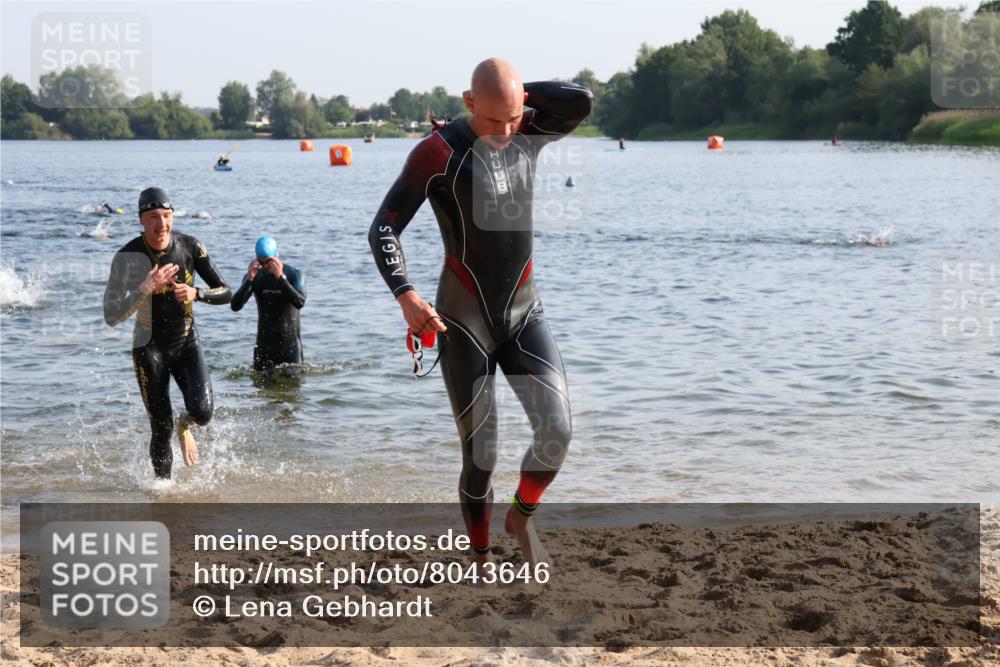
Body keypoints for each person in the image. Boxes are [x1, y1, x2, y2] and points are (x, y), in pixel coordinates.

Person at [369, 58, 592, 568]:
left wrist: (512, 97)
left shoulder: (528, 129)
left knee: (557, 433)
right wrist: (406, 296)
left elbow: (580, 100)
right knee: (482, 455)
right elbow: (383, 228)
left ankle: (521, 518)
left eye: (513, 117)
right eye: (494, 120)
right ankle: (480, 553)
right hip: (462, 321)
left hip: (524, 313)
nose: (506, 131)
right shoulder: (437, 152)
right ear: (469, 103)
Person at [103, 187, 231, 479]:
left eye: (166, 216)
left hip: (187, 343)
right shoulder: (127, 256)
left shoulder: (190, 247)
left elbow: (227, 293)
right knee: (160, 427)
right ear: (141, 220)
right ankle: (163, 493)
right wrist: (144, 289)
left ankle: (184, 425)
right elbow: (111, 316)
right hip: (149, 349)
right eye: (153, 217)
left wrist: (196, 293)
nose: (161, 224)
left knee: (202, 412)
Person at [230, 235, 306, 373]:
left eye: (269, 262)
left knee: (292, 392)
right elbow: (235, 306)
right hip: (263, 348)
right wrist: (249, 280)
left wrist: (281, 279)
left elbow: (300, 302)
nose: (265, 266)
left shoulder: (294, 275)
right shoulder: (254, 277)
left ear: (277, 255)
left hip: (290, 347)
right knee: (261, 392)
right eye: (261, 262)